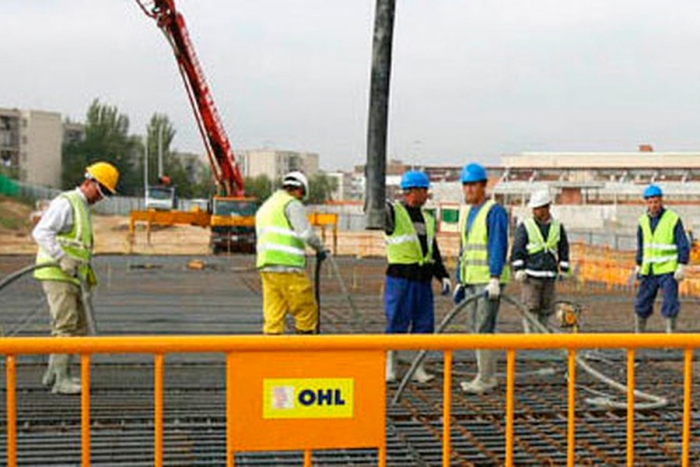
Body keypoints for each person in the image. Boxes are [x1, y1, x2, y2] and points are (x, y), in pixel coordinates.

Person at [32, 161, 119, 394]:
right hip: (57, 272)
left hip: (71, 275)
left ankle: (53, 372)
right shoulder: (67, 202)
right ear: (90, 182)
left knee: (76, 325)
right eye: (101, 191)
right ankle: (61, 379)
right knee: (66, 324)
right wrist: (62, 258)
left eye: (107, 194)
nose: (102, 197)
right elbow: (41, 232)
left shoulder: (81, 207)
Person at [384, 171, 451, 383]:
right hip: (400, 279)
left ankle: (417, 368)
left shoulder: (428, 219)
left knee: (424, 326)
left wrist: (443, 275)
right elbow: (375, 209)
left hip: (423, 280)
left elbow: (433, 250)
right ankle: (390, 365)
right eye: (424, 190)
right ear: (412, 191)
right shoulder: (394, 213)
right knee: (396, 323)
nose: (426, 195)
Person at [452, 163, 509, 394]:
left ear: (483, 186)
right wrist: (459, 279)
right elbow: (464, 249)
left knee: (484, 327)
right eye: (465, 185)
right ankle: (484, 374)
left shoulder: (493, 211)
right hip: (471, 281)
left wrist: (495, 277)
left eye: (473, 185)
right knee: (474, 328)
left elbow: (497, 244)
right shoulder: (467, 213)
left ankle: (486, 378)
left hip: (487, 281)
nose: (468, 190)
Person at [255, 171, 329, 335]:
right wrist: (321, 249)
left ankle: (271, 352)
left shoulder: (266, 206)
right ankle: (304, 351)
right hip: (288, 267)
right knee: (306, 310)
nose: (301, 199)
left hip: (267, 267)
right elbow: (306, 233)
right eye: (301, 195)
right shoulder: (292, 204)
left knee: (273, 313)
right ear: (299, 190)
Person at [510, 189, 570, 333]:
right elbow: (518, 248)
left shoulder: (557, 227)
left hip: (549, 275)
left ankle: (542, 337)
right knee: (531, 307)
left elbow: (563, 248)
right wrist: (518, 269)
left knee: (547, 309)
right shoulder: (526, 226)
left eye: (538, 208)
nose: (535, 211)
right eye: (534, 208)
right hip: (531, 276)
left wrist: (564, 269)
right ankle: (531, 338)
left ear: (547, 207)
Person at [634, 184, 690, 333]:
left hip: (668, 270)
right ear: (646, 203)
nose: (654, 205)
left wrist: (682, 265)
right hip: (649, 269)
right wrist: (638, 264)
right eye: (650, 202)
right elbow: (641, 244)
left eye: (656, 201)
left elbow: (682, 243)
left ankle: (670, 335)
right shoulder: (642, 221)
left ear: (661, 201)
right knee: (642, 302)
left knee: (670, 303)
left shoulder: (672, 219)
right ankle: (639, 334)